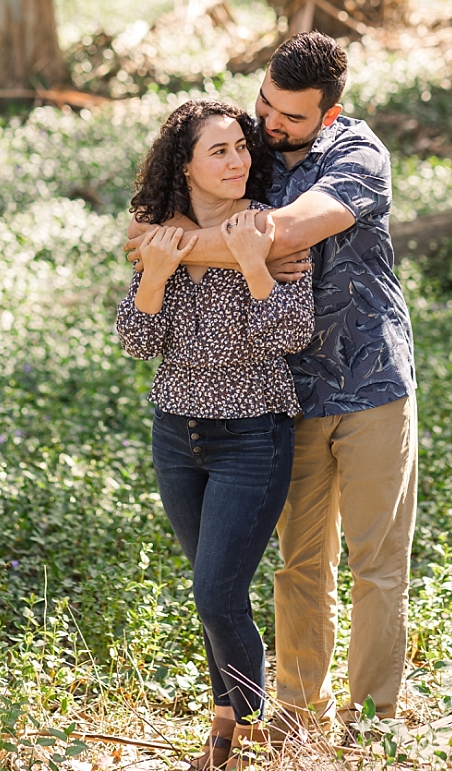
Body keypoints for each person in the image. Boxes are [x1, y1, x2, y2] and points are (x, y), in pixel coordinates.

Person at [127, 32, 418, 738]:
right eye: (265, 103)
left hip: (371, 379)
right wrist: (168, 239)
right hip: (286, 395)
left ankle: (372, 718)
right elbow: (179, 191)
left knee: (377, 561)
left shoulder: (358, 155)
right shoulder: (251, 150)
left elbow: (285, 231)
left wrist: (168, 248)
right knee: (300, 562)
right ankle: (293, 709)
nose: (270, 123)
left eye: (291, 115)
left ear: (331, 110)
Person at [118, 99, 315, 768]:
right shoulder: (159, 237)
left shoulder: (270, 227)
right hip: (176, 436)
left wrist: (255, 263)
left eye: (241, 147)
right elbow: (136, 339)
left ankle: (256, 724)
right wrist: (157, 275)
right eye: (219, 151)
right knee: (212, 589)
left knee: (216, 592)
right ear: (187, 166)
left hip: (253, 436)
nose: (237, 160)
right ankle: (223, 737)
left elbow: (290, 333)